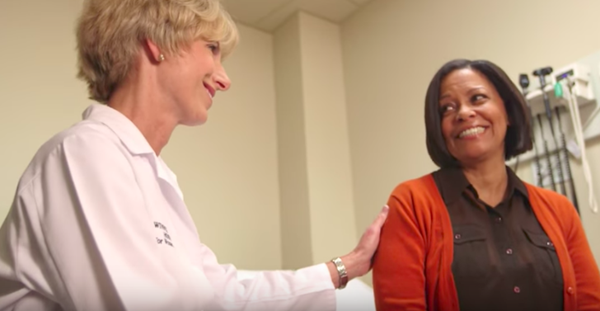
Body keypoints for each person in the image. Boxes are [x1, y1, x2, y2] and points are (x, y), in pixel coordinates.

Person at [0, 0, 389, 310]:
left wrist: (344, 268)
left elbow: (220, 293)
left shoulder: (153, 178)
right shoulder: (83, 155)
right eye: (212, 49)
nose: (224, 77)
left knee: (355, 301)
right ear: (156, 42)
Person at [372, 59, 600, 311]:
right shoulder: (411, 203)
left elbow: (589, 302)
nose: (463, 113)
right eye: (447, 108)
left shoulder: (559, 209)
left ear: (509, 112)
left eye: (478, 98)